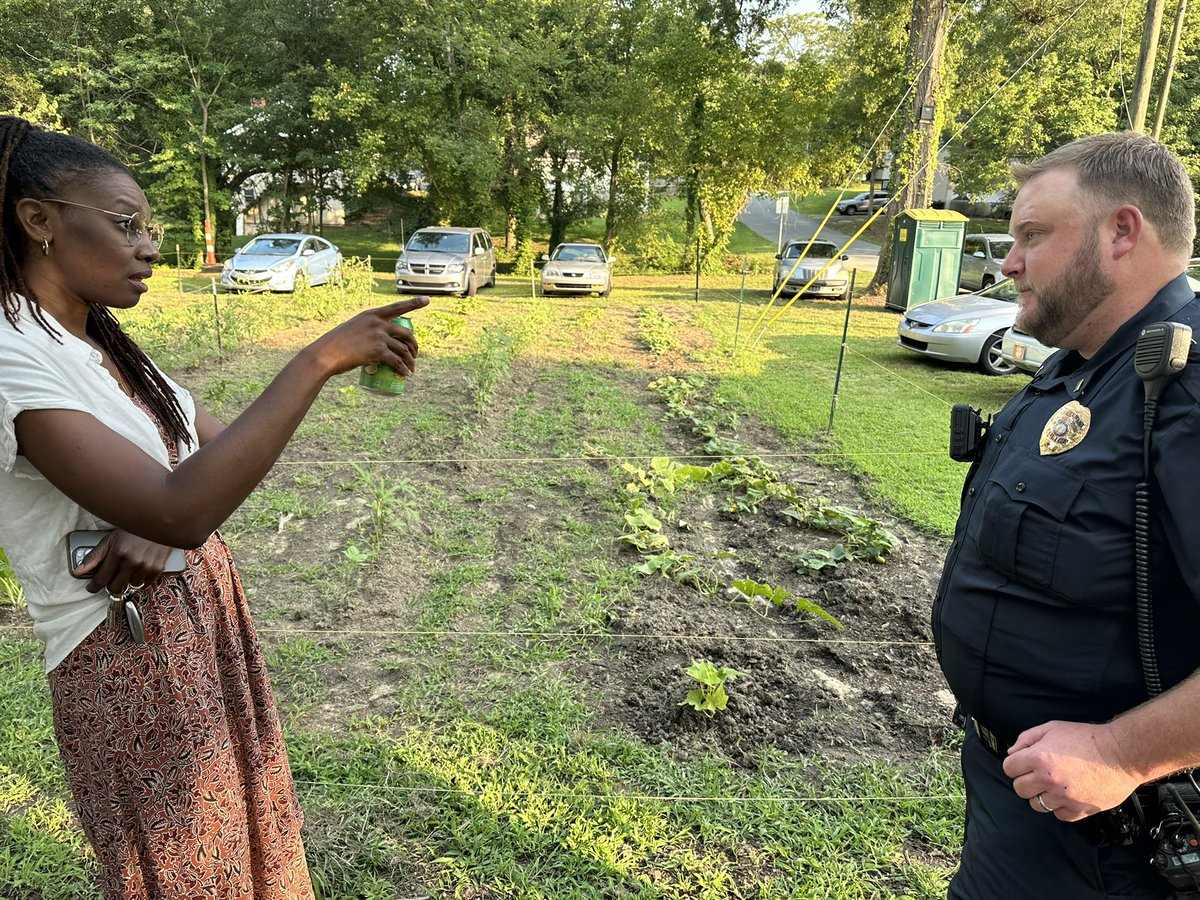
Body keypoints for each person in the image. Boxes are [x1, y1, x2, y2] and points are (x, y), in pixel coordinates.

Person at [0, 115, 428, 898]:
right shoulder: (11, 356)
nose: (151, 246)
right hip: (122, 650)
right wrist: (319, 358)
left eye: (150, 227)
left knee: (249, 844)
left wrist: (157, 525)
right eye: (127, 224)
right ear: (38, 221)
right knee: (187, 869)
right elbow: (185, 503)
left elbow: (211, 460)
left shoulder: (100, 344)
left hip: (201, 610)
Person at [933, 130, 1200, 899]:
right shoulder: (1078, 371)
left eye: (1033, 236)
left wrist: (1122, 753)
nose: (1009, 262)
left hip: (1114, 845)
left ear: (1122, 232)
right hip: (1019, 802)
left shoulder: (1181, 391)